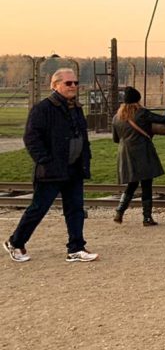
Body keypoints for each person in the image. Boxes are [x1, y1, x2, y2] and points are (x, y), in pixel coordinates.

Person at [4, 68, 97, 263]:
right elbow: (31, 137)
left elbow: (82, 135)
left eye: (75, 83)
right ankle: (15, 242)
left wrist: (85, 157)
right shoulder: (43, 109)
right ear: (55, 85)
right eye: (68, 83)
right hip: (52, 170)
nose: (73, 87)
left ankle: (76, 248)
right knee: (39, 208)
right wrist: (45, 160)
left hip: (74, 168)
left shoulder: (76, 108)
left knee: (75, 209)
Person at [111, 86, 165, 226]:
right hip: (142, 152)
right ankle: (147, 218)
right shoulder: (141, 113)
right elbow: (164, 120)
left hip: (125, 153)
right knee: (146, 185)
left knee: (132, 184)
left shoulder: (117, 117)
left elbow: (116, 139)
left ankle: (119, 211)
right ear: (137, 100)